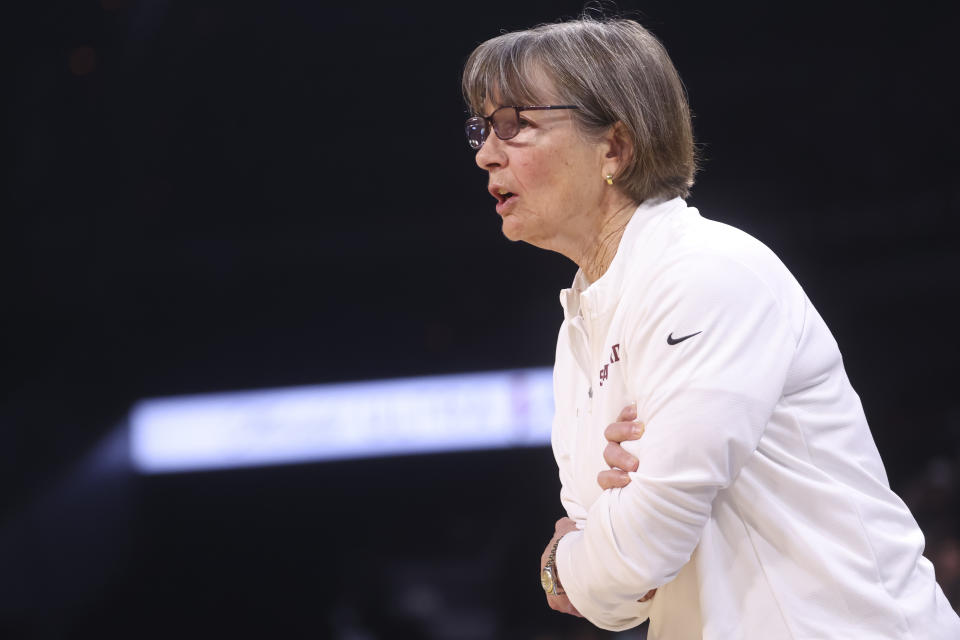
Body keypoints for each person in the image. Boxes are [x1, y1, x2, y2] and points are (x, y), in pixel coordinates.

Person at [461, 15, 960, 639]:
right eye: (483, 128)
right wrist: (598, 556)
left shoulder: (706, 273)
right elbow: (617, 601)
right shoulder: (580, 325)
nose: (486, 152)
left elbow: (638, 551)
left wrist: (563, 562)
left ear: (614, 147)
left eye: (517, 125)